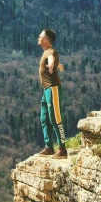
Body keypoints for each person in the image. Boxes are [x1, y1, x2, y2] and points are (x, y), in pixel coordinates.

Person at [36, 29, 67, 159]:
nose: (38, 38)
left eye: (40, 37)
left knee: (55, 118)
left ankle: (62, 149)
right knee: (44, 118)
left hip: (52, 88)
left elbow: (51, 57)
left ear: (46, 40)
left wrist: (52, 63)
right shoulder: (46, 52)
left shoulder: (50, 52)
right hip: (46, 90)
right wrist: (58, 65)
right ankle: (49, 147)